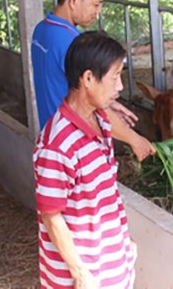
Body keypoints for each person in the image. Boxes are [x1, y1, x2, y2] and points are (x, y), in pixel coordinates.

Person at [34, 31, 137, 288]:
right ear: (88, 79)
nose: (120, 86)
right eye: (114, 77)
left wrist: (123, 242)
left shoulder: (100, 119)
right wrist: (80, 273)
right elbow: (51, 216)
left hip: (110, 261)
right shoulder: (58, 144)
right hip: (84, 276)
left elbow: (104, 196)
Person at [31, 0, 154, 161]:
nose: (98, 11)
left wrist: (111, 102)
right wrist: (135, 139)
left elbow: (65, 83)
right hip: (77, 139)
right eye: (96, 4)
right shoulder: (72, 44)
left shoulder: (42, 30)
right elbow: (95, 107)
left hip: (53, 132)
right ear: (74, 0)